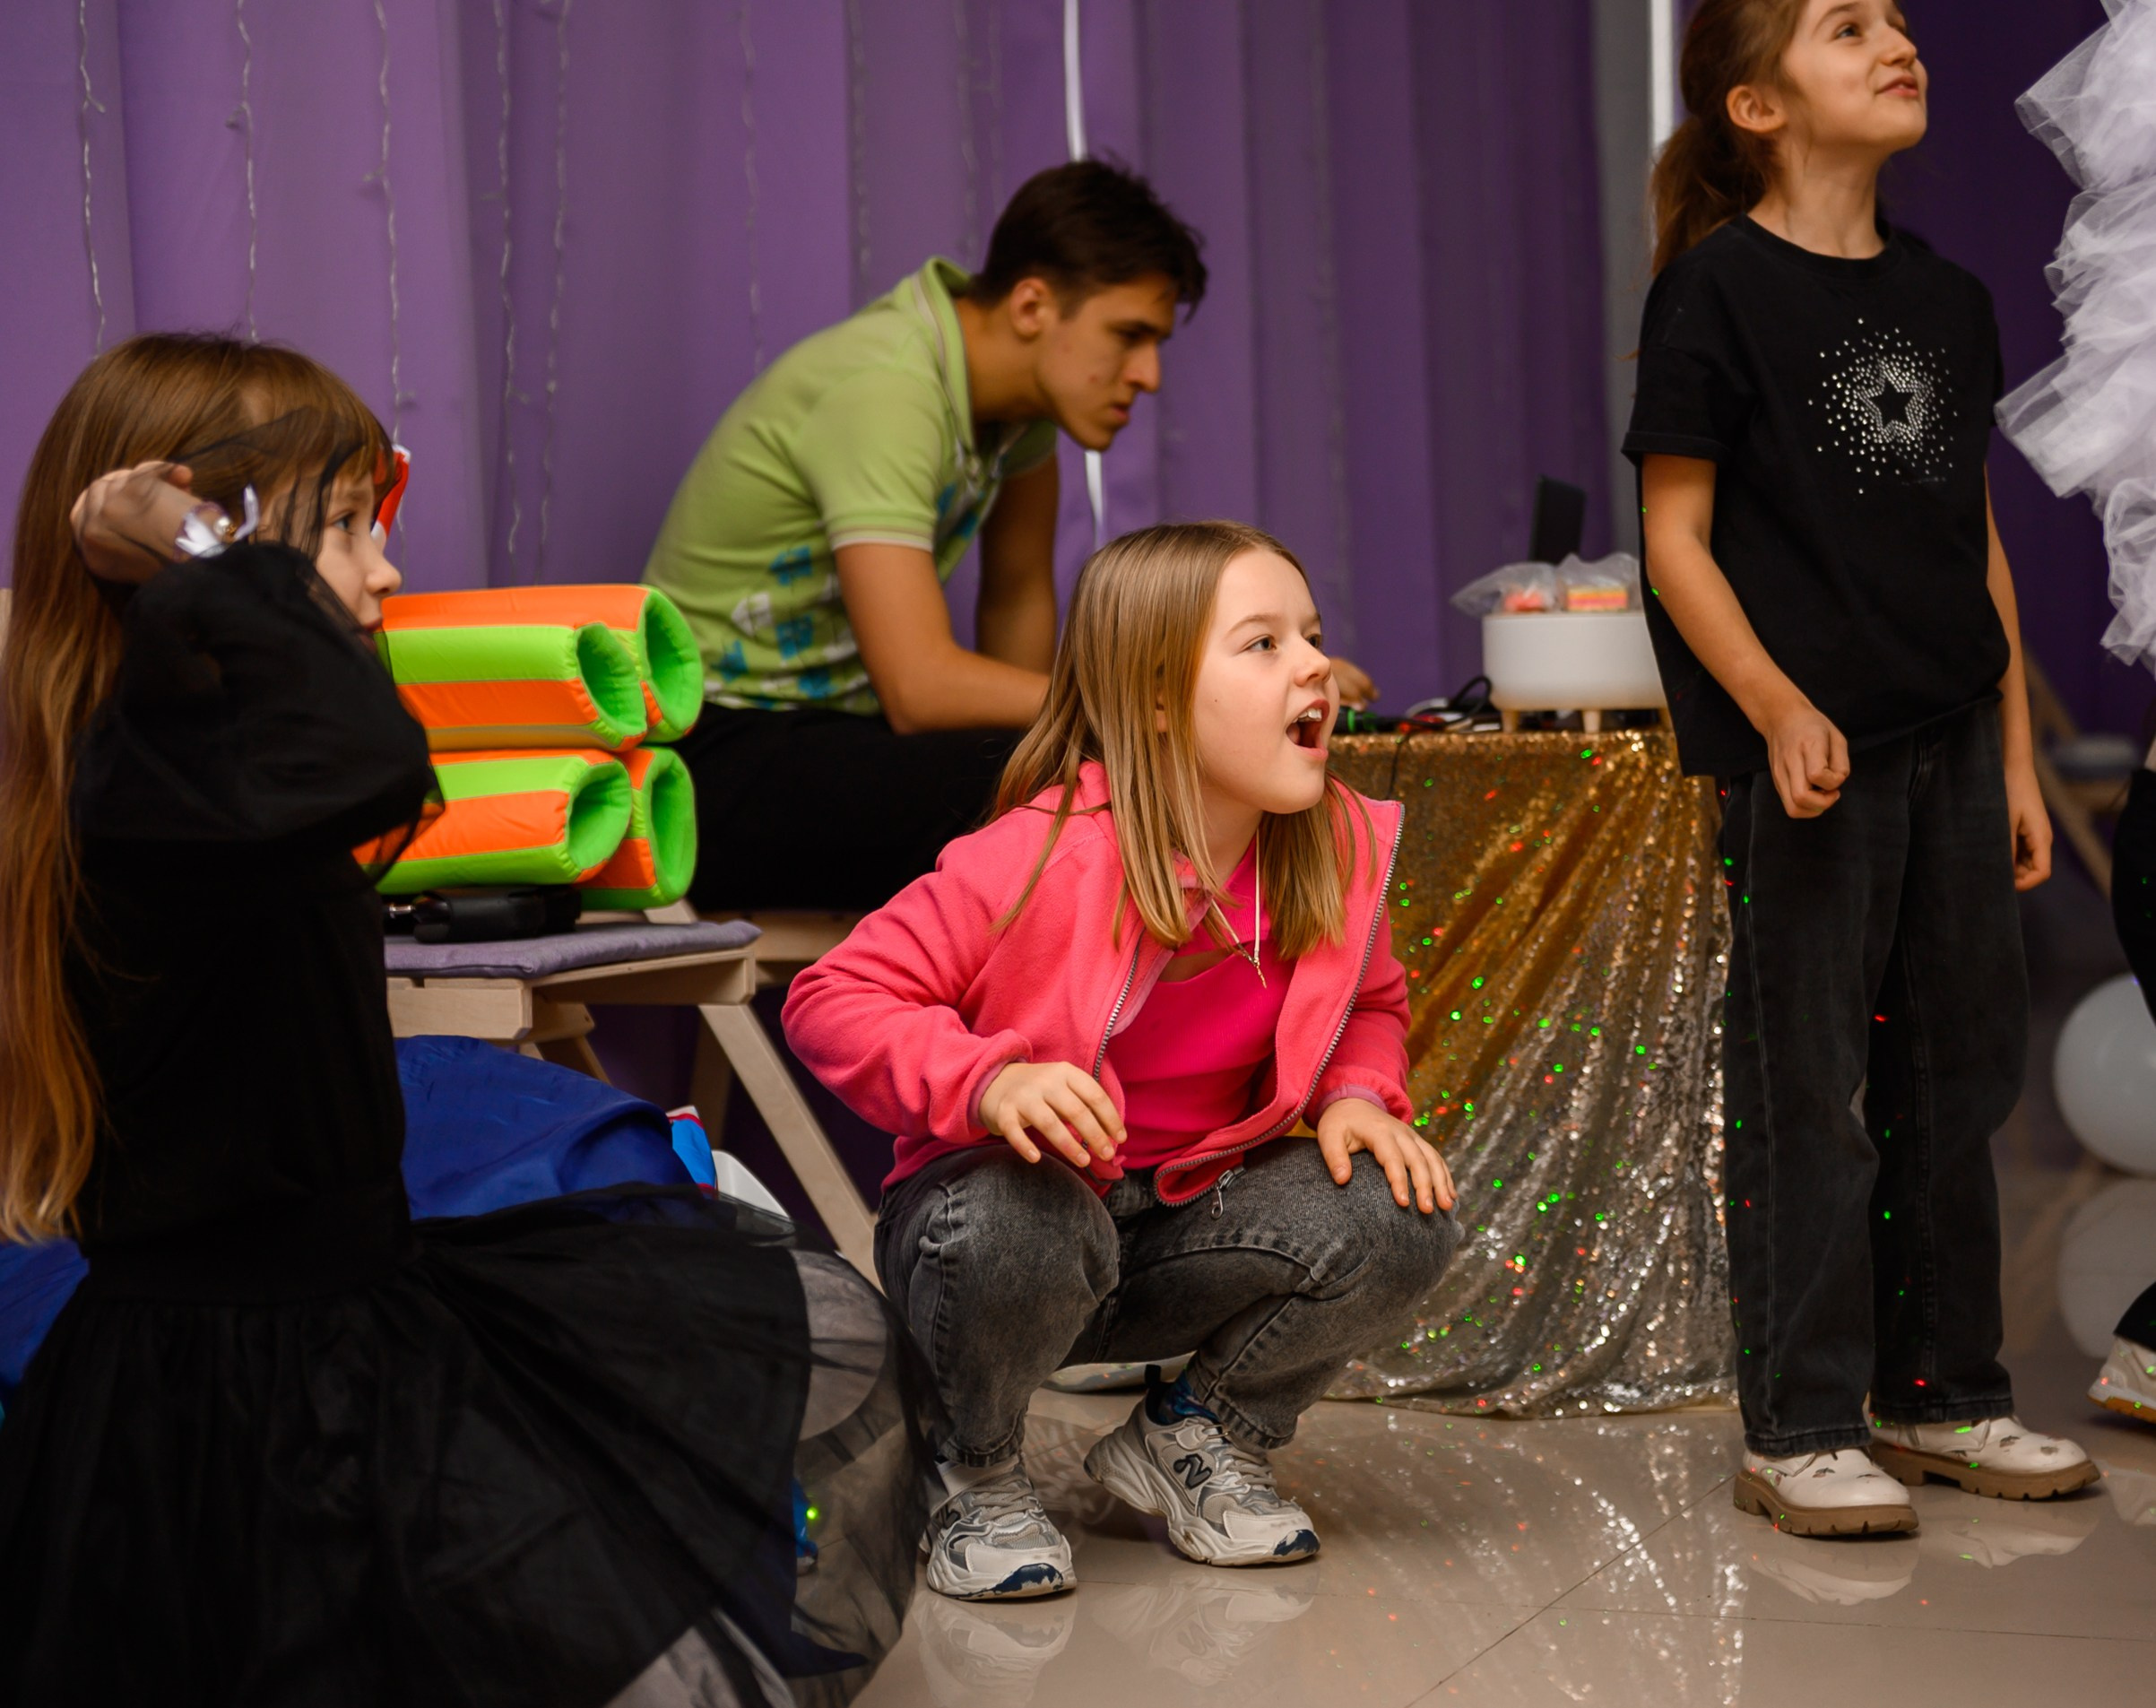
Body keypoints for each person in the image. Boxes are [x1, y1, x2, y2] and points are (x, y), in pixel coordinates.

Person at [0, 334, 934, 1704]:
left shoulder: (208, 779)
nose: (384, 574)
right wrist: (200, 549)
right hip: (242, 1383)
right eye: (341, 531)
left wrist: (212, 561)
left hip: (335, 1320)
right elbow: (374, 757)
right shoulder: (157, 789)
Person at [782, 520, 1459, 1601]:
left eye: (1311, 634)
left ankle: (1197, 1434)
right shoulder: (1041, 853)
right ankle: (967, 1463)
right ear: (1153, 700)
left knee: (1401, 1208)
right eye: (1262, 643)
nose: (1313, 664)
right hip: (1003, 1240)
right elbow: (831, 998)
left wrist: (1355, 1095)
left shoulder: (1328, 850)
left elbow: (1371, 1003)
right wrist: (987, 1082)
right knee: (1017, 1215)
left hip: (1173, 1229)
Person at [1626, 0, 2100, 1538]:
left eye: (1896, 18)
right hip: (1812, 755)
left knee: (1955, 1075)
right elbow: (1676, 542)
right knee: (1809, 1089)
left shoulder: (1948, 296)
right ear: (1758, 105)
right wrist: (1773, 707)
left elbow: (1975, 543)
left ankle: (1942, 1393)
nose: (1897, 39)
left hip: (1955, 735)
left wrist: (2014, 754)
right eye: (1848, 27)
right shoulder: (1715, 292)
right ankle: (1803, 1423)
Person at [644, 160, 1378, 914]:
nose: (1149, 374)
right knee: (1053, 792)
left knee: (1069, 773)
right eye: (1128, 335)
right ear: (1032, 305)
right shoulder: (884, 390)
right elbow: (919, 688)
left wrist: (1210, 701)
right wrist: (1159, 699)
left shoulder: (1021, 418)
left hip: (834, 733)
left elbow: (1018, 602)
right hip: (704, 754)